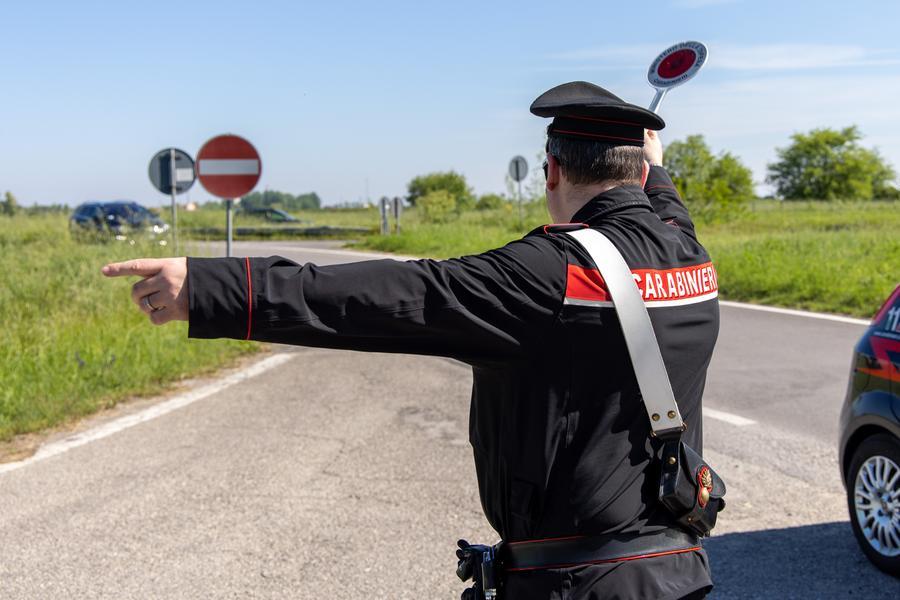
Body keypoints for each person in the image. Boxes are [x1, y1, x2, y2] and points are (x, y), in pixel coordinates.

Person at [103, 81, 719, 599]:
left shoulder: (545, 276)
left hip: (575, 583)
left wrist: (212, 289)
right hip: (678, 573)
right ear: (639, 173)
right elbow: (666, 207)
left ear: (552, 169)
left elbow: (398, 295)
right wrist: (655, 168)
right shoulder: (687, 253)